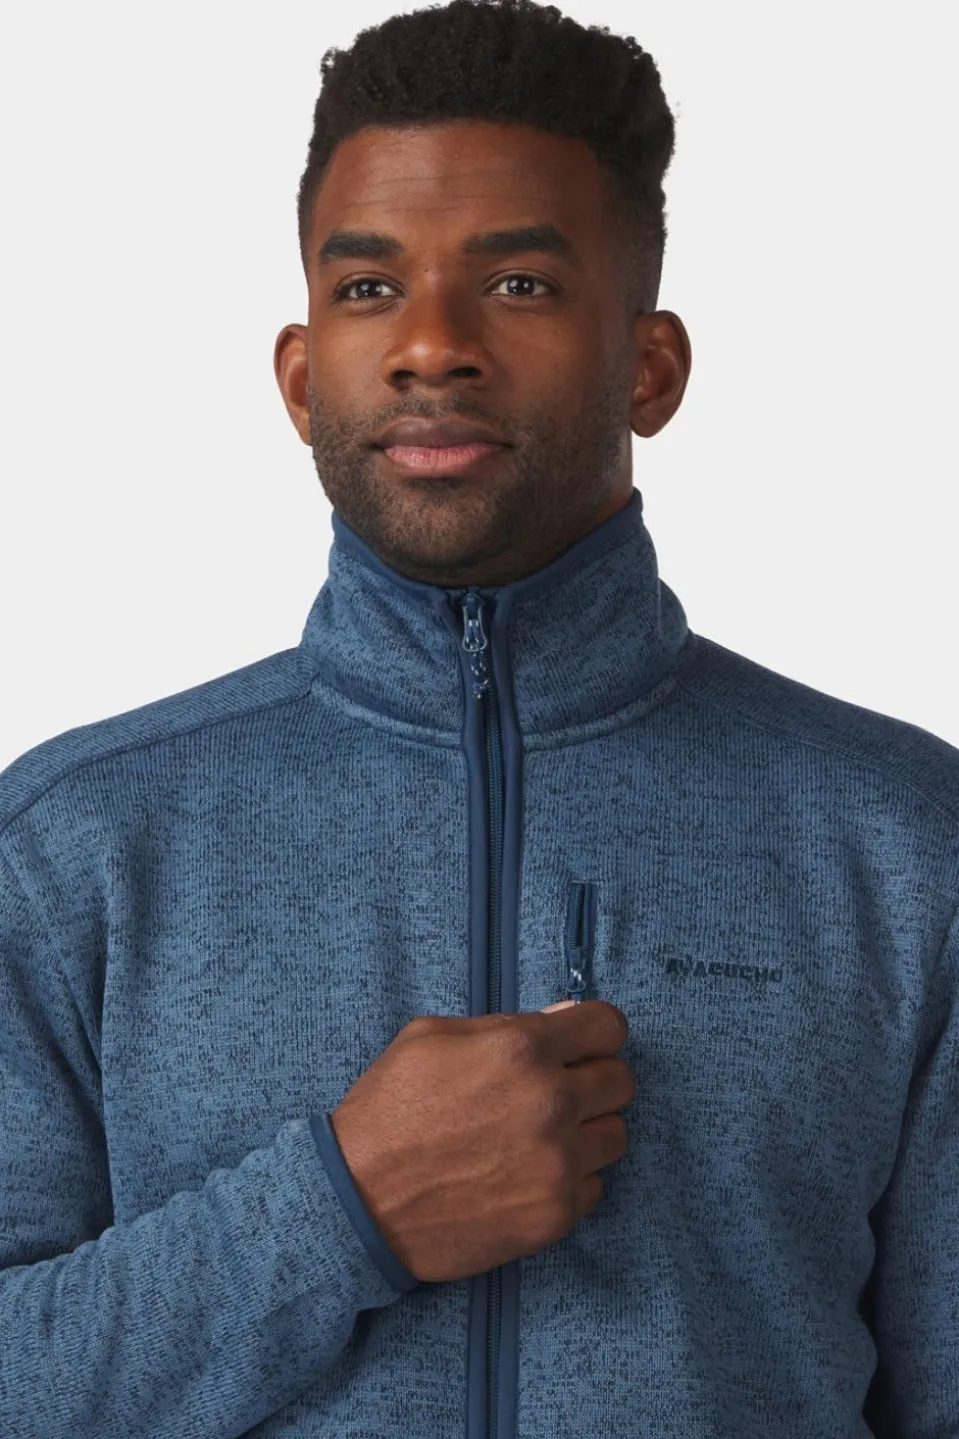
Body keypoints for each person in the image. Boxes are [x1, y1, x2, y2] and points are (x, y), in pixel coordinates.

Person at [1, 0, 956, 1434]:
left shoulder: (903, 842)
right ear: (299, 374)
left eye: (516, 284)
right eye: (368, 287)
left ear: (650, 366)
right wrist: (343, 1210)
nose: (429, 346)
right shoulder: (73, 845)